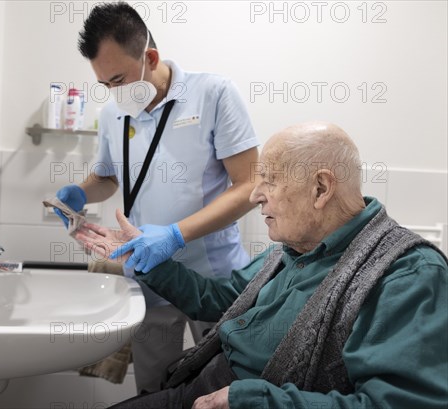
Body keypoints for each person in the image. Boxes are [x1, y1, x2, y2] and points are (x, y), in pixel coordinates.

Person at [75, 121, 448, 409]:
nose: (254, 196)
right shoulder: (294, 248)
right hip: (203, 384)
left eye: (269, 181)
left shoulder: (407, 276)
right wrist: (147, 260)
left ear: (320, 189)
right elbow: (220, 301)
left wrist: (256, 400)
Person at [55, 2, 260, 393]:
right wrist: (79, 193)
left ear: (150, 57)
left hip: (214, 279)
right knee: (154, 390)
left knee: (226, 386)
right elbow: (107, 178)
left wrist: (176, 234)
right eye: (105, 84)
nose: (114, 92)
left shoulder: (213, 94)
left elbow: (249, 186)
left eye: (118, 79)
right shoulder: (113, 114)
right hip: (150, 276)